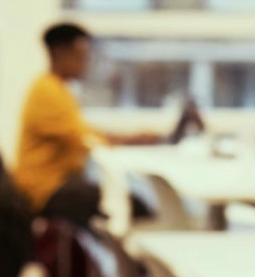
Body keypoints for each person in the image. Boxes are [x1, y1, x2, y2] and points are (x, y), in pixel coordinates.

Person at [11, 23, 153, 228]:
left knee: (119, 199)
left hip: (57, 183)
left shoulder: (57, 89)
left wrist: (137, 138)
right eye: (81, 55)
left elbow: (85, 132)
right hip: (44, 190)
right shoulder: (46, 92)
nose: (86, 62)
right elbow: (87, 139)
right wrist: (137, 139)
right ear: (60, 53)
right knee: (132, 205)